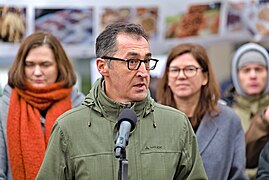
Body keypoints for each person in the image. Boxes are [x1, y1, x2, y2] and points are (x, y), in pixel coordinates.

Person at [36, 22, 208, 179]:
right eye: (132, 61)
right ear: (102, 66)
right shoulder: (69, 128)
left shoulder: (176, 124)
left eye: (146, 61)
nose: (143, 72)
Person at [0, 31, 85, 180]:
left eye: (45, 65)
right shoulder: (3, 108)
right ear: (21, 66)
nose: (37, 72)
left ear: (59, 66)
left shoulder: (81, 107)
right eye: (30, 64)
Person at [156, 43, 247, 180]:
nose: (181, 76)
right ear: (167, 77)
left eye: (190, 69)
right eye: (174, 70)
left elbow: (237, 174)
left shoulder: (228, 120)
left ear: (205, 77)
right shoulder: (154, 119)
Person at [228, 42, 269, 179]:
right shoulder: (225, 112)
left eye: (259, 69)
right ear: (236, 74)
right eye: (246, 70)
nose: (253, 76)